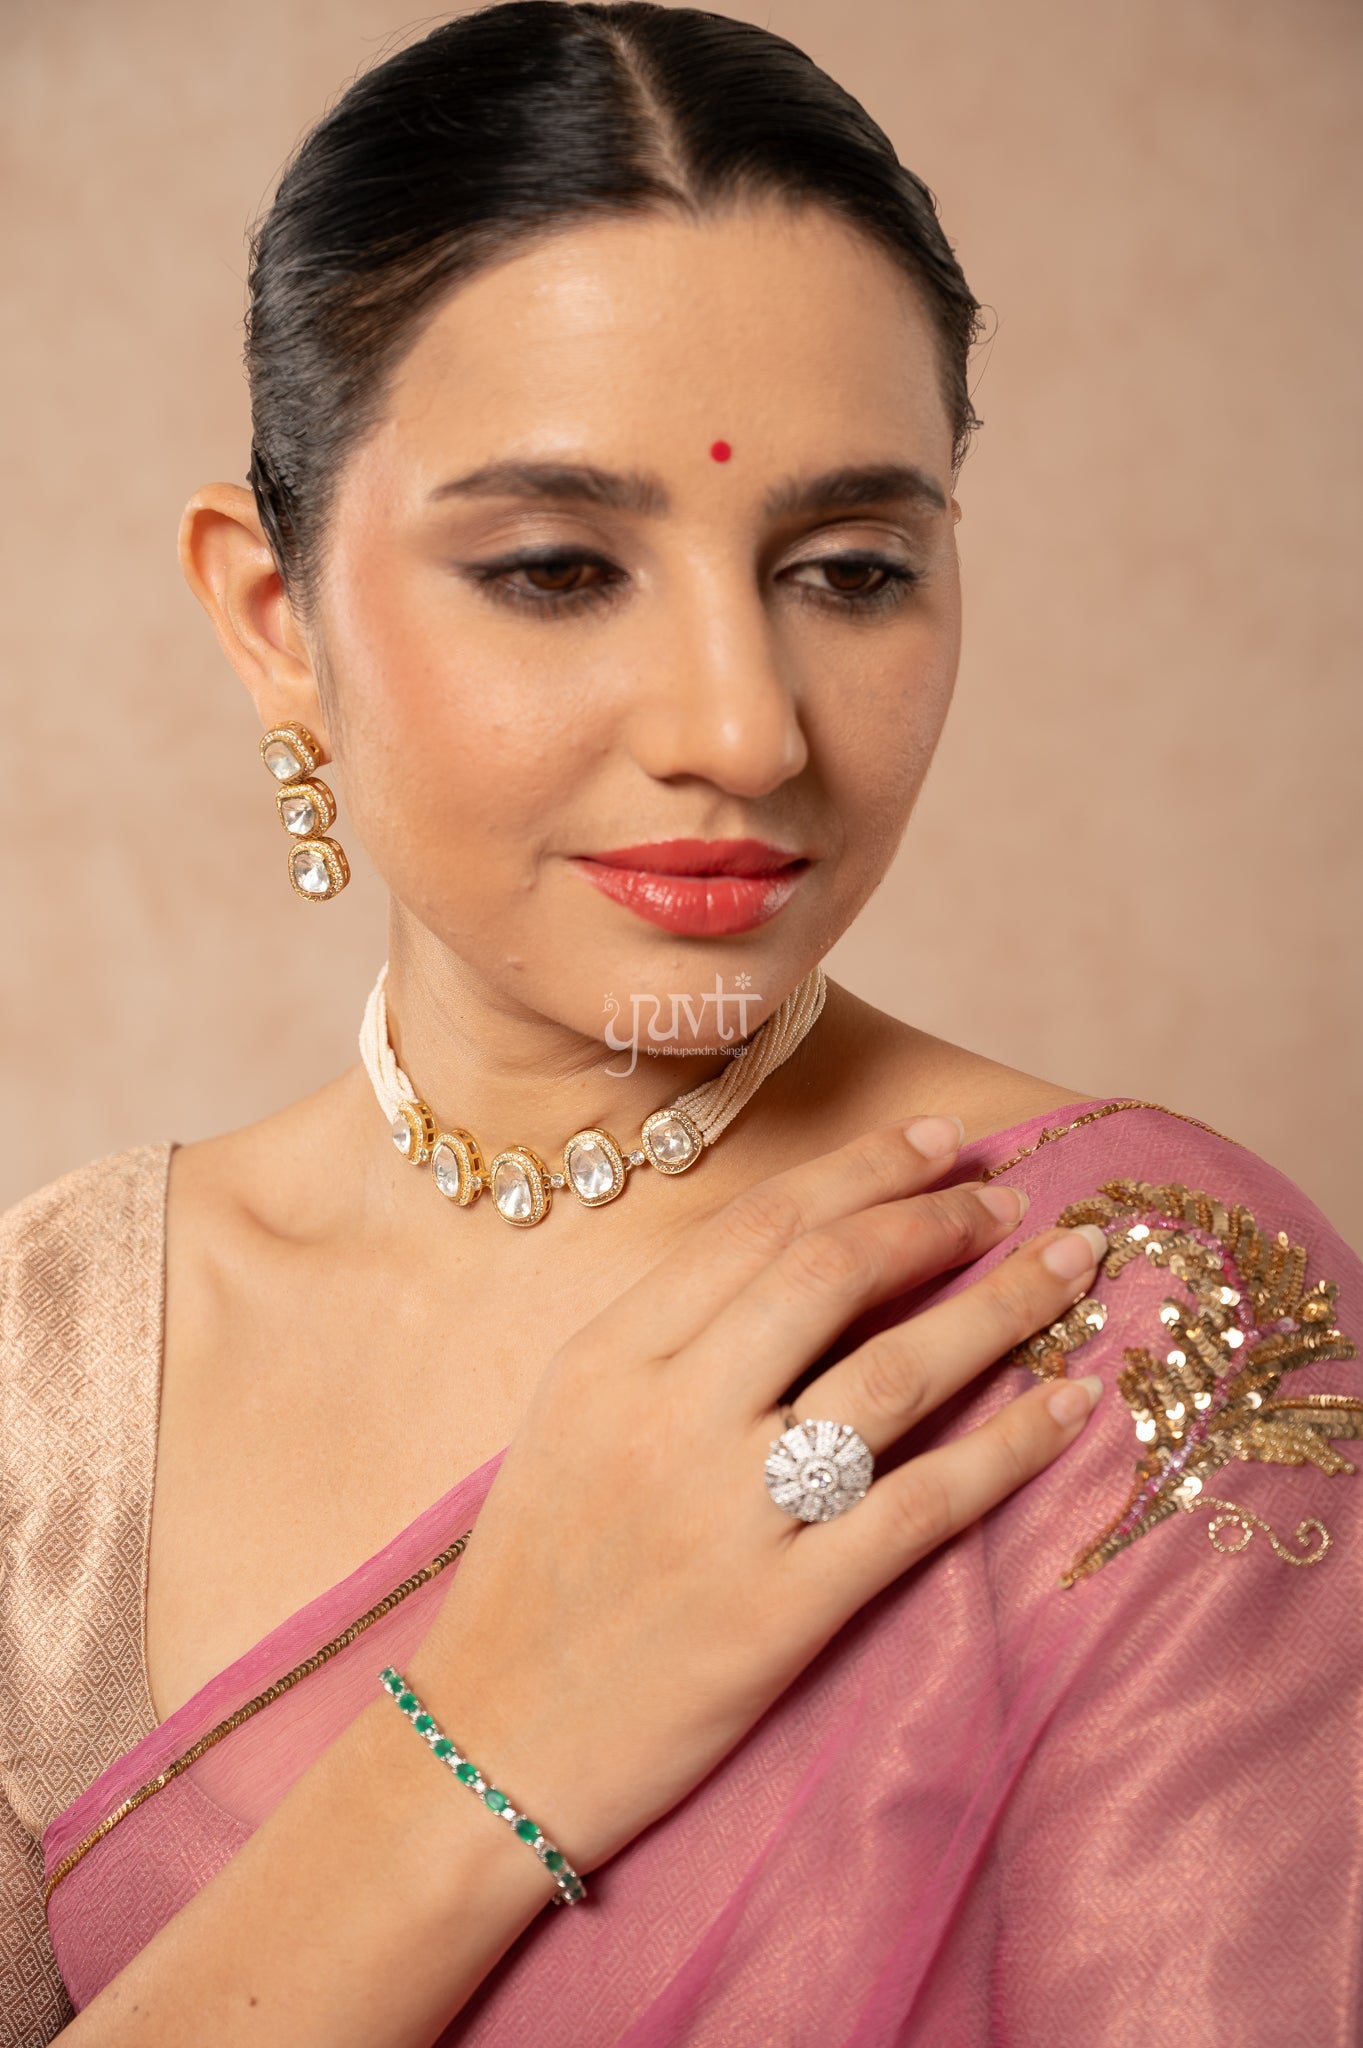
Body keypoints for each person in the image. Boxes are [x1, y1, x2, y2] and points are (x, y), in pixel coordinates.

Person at [2, 4, 1358, 2042]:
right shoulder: (50, 1389)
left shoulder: (1139, 1316)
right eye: (558, 568)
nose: (743, 728)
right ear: (275, 622)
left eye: (852, 569)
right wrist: (489, 1741)